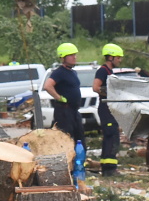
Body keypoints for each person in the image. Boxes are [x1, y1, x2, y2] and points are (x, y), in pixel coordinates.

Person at [43, 42, 86, 181]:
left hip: (74, 111)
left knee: (79, 140)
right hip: (64, 111)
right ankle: (67, 168)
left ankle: (78, 168)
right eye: (71, 55)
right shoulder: (59, 72)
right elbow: (47, 86)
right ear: (63, 57)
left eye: (75, 54)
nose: (74, 57)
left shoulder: (72, 72)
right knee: (67, 139)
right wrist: (59, 98)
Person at [93, 43, 125, 175]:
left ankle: (110, 166)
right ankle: (108, 169)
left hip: (110, 108)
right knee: (110, 135)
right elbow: (95, 87)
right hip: (105, 108)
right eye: (118, 58)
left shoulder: (110, 72)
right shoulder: (102, 70)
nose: (120, 60)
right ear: (111, 57)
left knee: (113, 136)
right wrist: (109, 94)